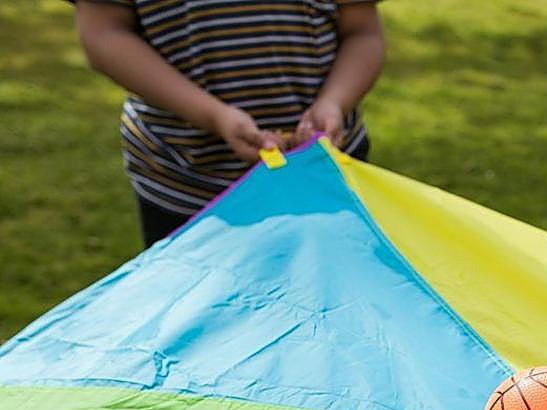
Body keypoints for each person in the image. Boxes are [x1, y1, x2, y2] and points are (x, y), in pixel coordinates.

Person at [71, 0, 386, 247]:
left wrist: (334, 101)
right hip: (187, 181)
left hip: (326, 176)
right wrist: (212, 115)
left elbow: (362, 31)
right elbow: (104, 33)